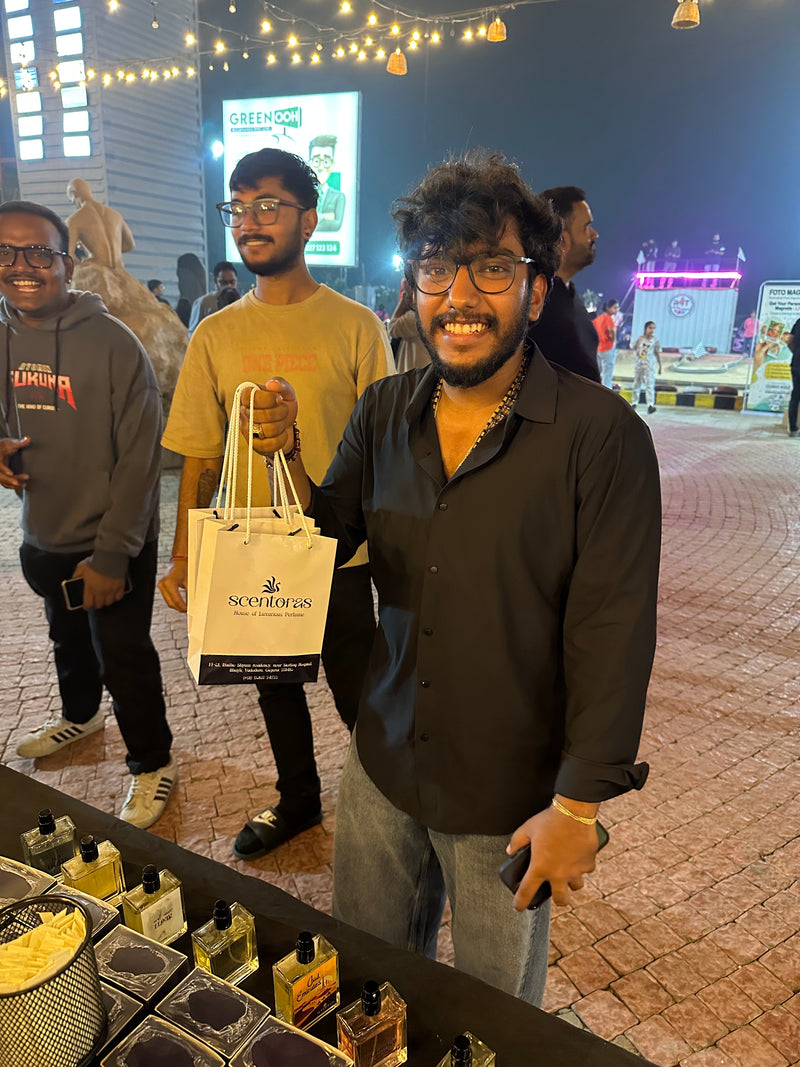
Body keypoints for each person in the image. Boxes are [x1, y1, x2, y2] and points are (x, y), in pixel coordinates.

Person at [241, 152, 661, 1004]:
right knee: (365, 982)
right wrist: (285, 455)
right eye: (436, 266)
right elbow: (329, 529)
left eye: (491, 267)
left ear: (535, 292)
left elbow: (613, 632)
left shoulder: (601, 437)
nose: (459, 295)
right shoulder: (384, 411)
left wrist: (578, 807)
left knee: (492, 1016)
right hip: (383, 758)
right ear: (414, 286)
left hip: (507, 789)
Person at [159, 148, 393, 858]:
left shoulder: (356, 326)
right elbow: (200, 454)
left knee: (361, 699)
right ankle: (299, 800)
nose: (248, 221)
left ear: (309, 220)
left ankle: (392, 817)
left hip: (339, 553)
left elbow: (386, 451)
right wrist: (183, 555)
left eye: (267, 204)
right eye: (237, 207)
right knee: (275, 689)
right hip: (254, 551)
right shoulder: (215, 333)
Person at [0, 200, 175, 828]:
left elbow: (140, 462)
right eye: (7, 252)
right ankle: (80, 717)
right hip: (43, 532)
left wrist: (111, 557)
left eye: (39, 252)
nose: (23, 266)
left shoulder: (113, 344)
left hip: (111, 540)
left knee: (123, 655)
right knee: (66, 637)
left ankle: (153, 762)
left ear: (66, 263)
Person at [527, 185, 600, 382]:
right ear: (561, 240)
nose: (594, 235)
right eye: (586, 227)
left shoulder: (568, 294)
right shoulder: (538, 305)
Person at [65, 178, 135, 270]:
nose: (74, 204)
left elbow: (69, 255)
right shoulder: (116, 215)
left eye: (72, 200)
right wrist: (112, 249)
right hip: (120, 273)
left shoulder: (74, 220)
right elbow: (130, 245)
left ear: (74, 193)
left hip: (97, 273)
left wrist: (84, 263)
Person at [387, 278, 430, 373]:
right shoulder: (420, 314)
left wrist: (403, 301)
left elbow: (392, 328)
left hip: (415, 376)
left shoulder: (417, 317)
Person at [188, 261, 238, 335]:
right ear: (216, 281)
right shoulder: (203, 302)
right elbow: (193, 333)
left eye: (232, 282)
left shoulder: (242, 302)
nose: (229, 286)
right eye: (223, 282)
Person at [308, 135, 346, 232]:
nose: (321, 167)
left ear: (333, 165)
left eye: (326, 161)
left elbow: (336, 224)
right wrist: (325, 216)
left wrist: (308, 221)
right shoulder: (301, 195)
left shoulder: (339, 197)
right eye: (316, 161)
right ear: (309, 163)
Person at [631, 320, 663, 413]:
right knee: (637, 383)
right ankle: (634, 402)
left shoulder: (655, 341)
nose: (652, 330)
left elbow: (657, 353)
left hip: (649, 364)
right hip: (639, 363)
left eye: (653, 328)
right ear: (645, 329)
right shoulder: (640, 339)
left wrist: (660, 366)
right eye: (650, 328)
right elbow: (633, 347)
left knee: (649, 384)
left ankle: (650, 404)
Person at [593, 298, 619, 389]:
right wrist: (613, 339)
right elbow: (611, 330)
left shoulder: (598, 319)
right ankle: (606, 390)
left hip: (599, 348)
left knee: (598, 371)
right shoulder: (608, 318)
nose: (616, 310)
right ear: (608, 308)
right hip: (608, 347)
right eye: (615, 308)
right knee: (607, 373)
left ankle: (596, 389)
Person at [786, 317, 800, 437]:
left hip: (796, 363)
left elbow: (789, 341)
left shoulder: (798, 322)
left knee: (795, 395)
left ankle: (793, 428)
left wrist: (796, 353)